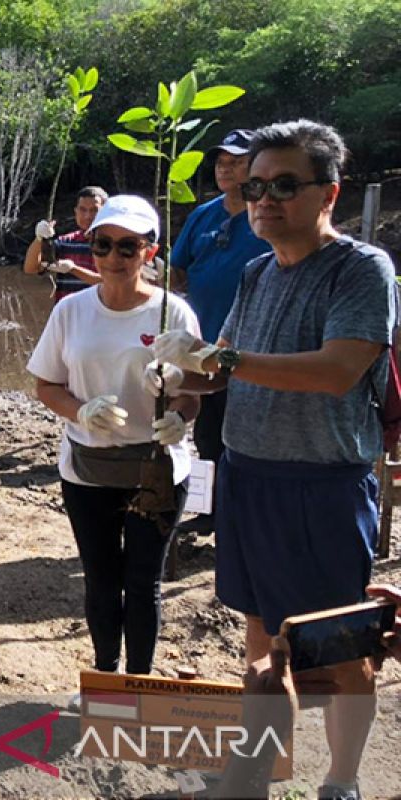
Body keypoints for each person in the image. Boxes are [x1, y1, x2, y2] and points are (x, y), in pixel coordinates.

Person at [152, 120, 396, 800]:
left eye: (285, 184)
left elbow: (336, 370)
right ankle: (258, 767)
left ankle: (341, 781)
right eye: (255, 186)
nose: (264, 198)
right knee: (260, 640)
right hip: (247, 478)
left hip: (322, 486)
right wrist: (177, 381)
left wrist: (220, 360)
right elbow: (224, 372)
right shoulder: (258, 272)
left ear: (330, 194)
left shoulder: (361, 269)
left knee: (341, 652)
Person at [26, 194, 200, 676]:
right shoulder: (72, 311)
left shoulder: (174, 313)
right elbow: (46, 384)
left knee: (143, 583)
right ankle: (106, 677)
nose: (114, 258)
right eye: (103, 246)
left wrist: (180, 416)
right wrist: (81, 413)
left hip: (157, 468)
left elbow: (194, 393)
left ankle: (139, 682)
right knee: (101, 581)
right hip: (89, 468)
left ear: (150, 251)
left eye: (128, 247)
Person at [169, 129, 272, 535]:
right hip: (202, 347)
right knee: (207, 433)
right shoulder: (202, 215)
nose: (225, 167)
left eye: (236, 160)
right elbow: (178, 271)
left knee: (246, 437)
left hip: (255, 353)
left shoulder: (267, 216)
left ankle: (242, 517)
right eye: (220, 161)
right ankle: (210, 513)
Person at [23, 186, 108, 301]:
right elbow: (30, 268)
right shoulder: (65, 242)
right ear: (76, 212)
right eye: (82, 209)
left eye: (94, 210)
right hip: (67, 316)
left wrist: (73, 269)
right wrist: (39, 239)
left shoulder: (114, 244)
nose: (87, 216)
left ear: (106, 211)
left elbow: (114, 282)